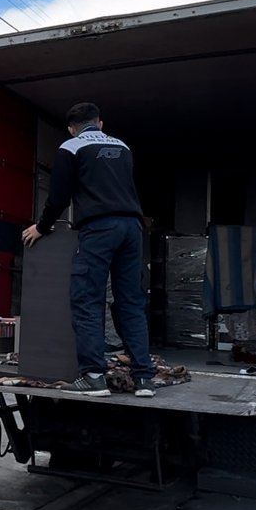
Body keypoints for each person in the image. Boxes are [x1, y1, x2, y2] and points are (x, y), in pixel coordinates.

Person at [21, 102, 157, 398]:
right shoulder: (123, 147)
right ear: (101, 123)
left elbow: (58, 196)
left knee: (87, 300)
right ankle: (145, 379)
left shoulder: (71, 147)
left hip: (99, 229)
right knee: (131, 303)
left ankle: (94, 376)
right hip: (132, 229)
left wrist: (41, 228)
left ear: (72, 128)